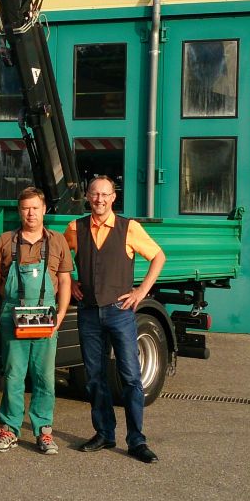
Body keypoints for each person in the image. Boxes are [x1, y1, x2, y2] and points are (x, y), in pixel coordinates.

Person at [63, 176, 166, 464]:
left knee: (131, 377)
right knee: (94, 377)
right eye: (94, 194)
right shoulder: (75, 228)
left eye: (105, 194)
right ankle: (104, 434)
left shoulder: (129, 228)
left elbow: (158, 257)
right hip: (89, 313)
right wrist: (69, 283)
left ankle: (137, 440)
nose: (99, 199)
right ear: (87, 197)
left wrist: (141, 292)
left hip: (120, 312)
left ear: (113, 198)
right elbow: (57, 259)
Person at [0, 186, 72, 454]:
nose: (30, 213)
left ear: (44, 210)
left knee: (44, 377)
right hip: (12, 315)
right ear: (19, 211)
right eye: (25, 208)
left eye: (35, 208)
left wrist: (62, 314)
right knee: (13, 376)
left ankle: (44, 432)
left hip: (46, 315)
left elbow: (66, 280)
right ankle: (9, 430)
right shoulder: (6, 241)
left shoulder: (57, 241)